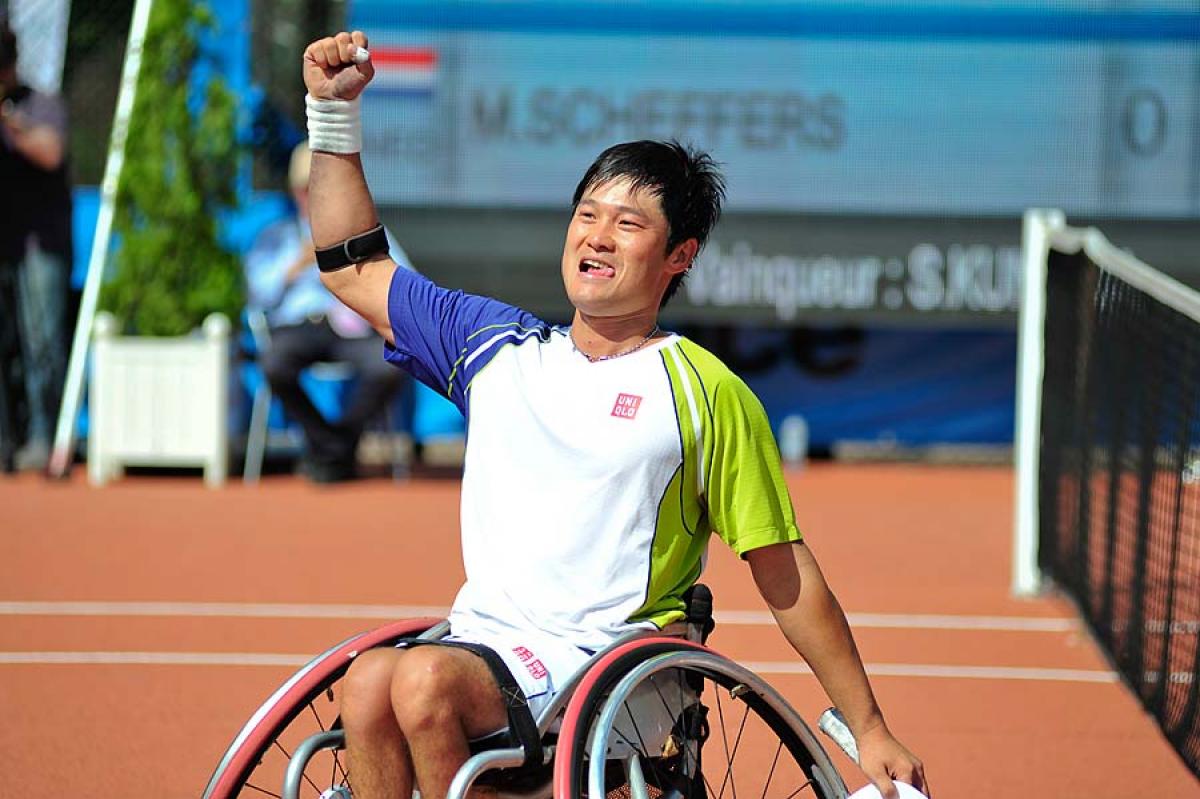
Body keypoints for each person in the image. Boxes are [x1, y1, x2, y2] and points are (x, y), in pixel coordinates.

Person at [301, 30, 929, 799]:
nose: (597, 236)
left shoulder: (705, 391)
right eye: (587, 214)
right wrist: (332, 115)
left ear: (680, 256)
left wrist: (866, 723)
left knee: (421, 680)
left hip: (612, 668)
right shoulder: (494, 346)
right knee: (369, 683)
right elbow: (352, 264)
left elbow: (783, 569)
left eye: (628, 224)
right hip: (485, 647)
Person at [244, 141, 410, 482]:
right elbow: (256, 296)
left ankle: (330, 449)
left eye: (320, 187)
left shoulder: (366, 232)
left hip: (350, 326)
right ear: (294, 193)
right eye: (307, 189)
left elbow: (406, 284)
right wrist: (296, 266)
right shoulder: (276, 238)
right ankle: (337, 448)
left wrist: (367, 274)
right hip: (299, 326)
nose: (313, 196)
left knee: (389, 367)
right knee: (274, 362)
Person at [0, 20, 72, 473]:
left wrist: (8, 122)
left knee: (42, 342)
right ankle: (7, 440)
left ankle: (44, 438)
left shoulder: (40, 105)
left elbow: (50, 153)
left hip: (39, 245)